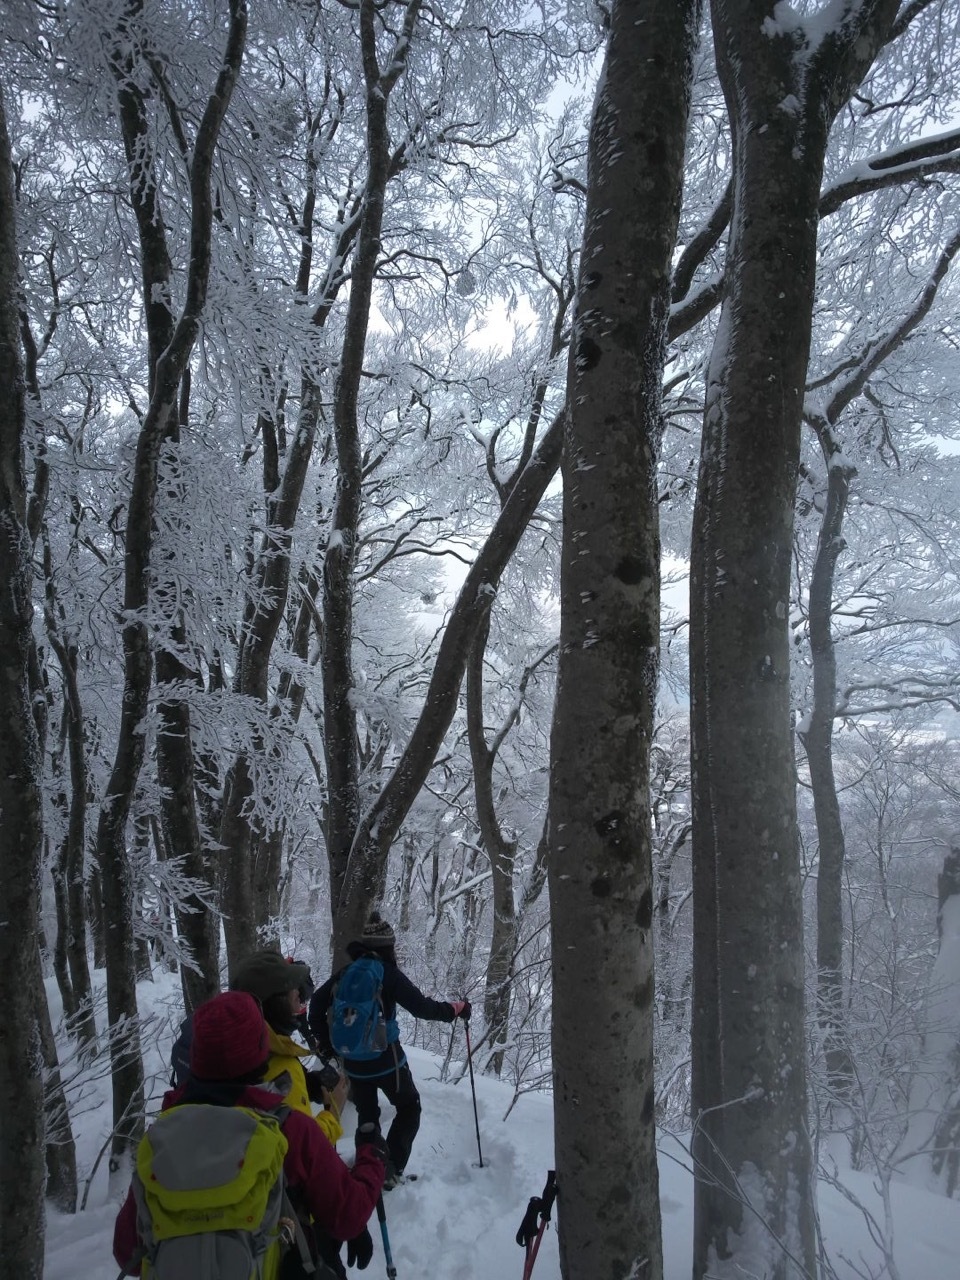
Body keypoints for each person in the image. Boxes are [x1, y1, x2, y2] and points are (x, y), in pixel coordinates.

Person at [113, 990, 386, 1277]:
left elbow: (126, 1252)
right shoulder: (289, 1129)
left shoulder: (161, 1139)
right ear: (261, 1050)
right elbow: (348, 1216)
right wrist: (372, 1158)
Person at [309, 913, 470, 1187]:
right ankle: (391, 1170)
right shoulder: (387, 973)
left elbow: (315, 1007)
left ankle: (366, 1169)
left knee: (367, 1115)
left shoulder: (347, 972)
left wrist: (328, 1048)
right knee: (409, 1107)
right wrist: (456, 1009)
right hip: (387, 1060)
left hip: (352, 1063)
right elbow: (422, 1008)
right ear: (388, 946)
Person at [230, 949, 350, 1147]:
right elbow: (300, 1152)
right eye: (291, 987)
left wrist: (310, 1084)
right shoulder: (278, 1068)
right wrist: (332, 1114)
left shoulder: (243, 1046)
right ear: (275, 1002)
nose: (298, 992)